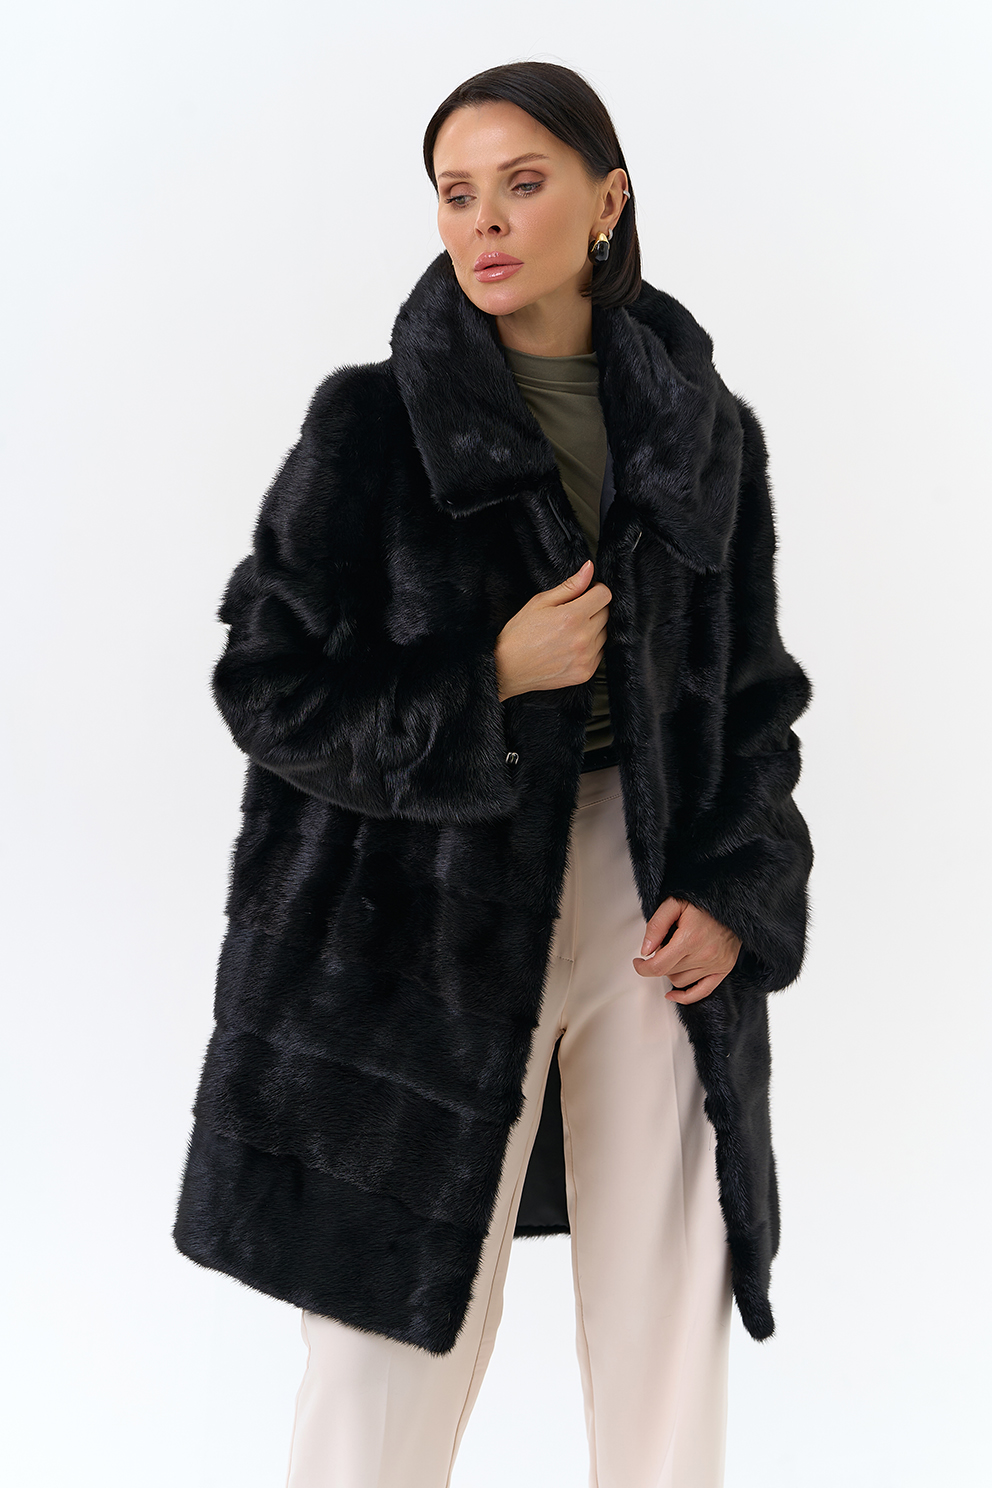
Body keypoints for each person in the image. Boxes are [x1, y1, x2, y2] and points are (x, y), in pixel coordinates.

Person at [173, 60, 813, 1488]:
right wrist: (487, 678)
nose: (487, 223)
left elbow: (756, 704)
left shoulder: (703, 435)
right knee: (382, 1342)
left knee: (669, 1307)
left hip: (649, 893)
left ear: (607, 200)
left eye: (523, 184)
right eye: (457, 194)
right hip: (420, 912)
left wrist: (736, 891)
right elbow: (265, 686)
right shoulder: (370, 428)